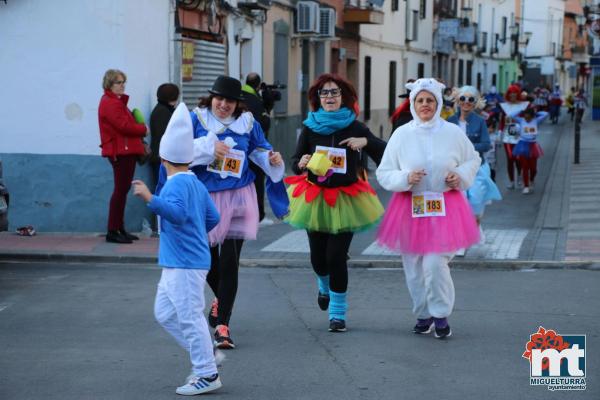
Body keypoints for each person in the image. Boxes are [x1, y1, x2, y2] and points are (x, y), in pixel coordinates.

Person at [156, 75, 285, 349]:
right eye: (219, 99)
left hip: (239, 196)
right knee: (209, 261)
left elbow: (259, 150)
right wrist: (207, 148)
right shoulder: (196, 119)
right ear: (211, 98)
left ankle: (223, 325)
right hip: (204, 197)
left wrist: (270, 158)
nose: (223, 105)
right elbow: (174, 152)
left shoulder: (248, 123)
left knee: (229, 261)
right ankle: (220, 301)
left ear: (238, 104)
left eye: (229, 101)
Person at [376, 78, 481, 339]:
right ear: (413, 104)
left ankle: (441, 313)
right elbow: (384, 172)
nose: (425, 105)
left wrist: (459, 175)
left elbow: (473, 159)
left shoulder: (453, 132)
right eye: (420, 100)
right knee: (413, 266)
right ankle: (423, 313)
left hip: (446, 207)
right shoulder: (402, 135)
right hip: (411, 206)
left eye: (430, 100)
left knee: (435, 263)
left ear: (438, 104)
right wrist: (404, 178)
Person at [131, 103, 223, 396]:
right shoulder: (194, 182)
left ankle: (207, 373)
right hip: (180, 261)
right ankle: (207, 358)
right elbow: (213, 218)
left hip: (185, 263)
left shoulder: (173, 186)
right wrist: (193, 234)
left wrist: (150, 198)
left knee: (189, 316)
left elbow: (179, 215)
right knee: (165, 314)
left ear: (163, 157)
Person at [285, 74, 385, 332]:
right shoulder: (310, 126)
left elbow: (384, 150)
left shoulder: (355, 127)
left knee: (336, 257)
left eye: (334, 92)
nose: (329, 97)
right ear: (318, 99)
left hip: (347, 199)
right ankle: (323, 285)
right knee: (318, 260)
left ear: (344, 97)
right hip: (315, 198)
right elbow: (295, 159)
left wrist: (366, 141)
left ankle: (337, 314)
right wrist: (302, 163)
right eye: (324, 93)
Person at [98, 69, 148, 244]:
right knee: (120, 191)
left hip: (124, 150)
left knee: (122, 190)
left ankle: (119, 228)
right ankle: (113, 230)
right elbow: (124, 126)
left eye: (123, 82)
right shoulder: (110, 103)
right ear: (109, 84)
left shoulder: (116, 102)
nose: (122, 85)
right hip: (121, 152)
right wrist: (143, 128)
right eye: (118, 82)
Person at [448, 86, 501, 248]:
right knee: (459, 203)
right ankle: (461, 237)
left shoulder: (480, 122)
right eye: (463, 98)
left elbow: (486, 144)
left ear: (475, 103)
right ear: (457, 100)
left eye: (471, 99)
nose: (466, 102)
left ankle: (476, 226)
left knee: (476, 202)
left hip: (476, 168)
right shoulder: (449, 122)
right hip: (455, 169)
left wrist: (467, 147)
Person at [242, 73, 272, 225]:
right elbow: (263, 124)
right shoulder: (255, 100)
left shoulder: (239, 96)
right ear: (259, 86)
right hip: (254, 149)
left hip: (239, 149)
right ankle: (259, 215)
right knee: (258, 181)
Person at [510, 107, 548, 194]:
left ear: (532, 116)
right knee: (525, 166)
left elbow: (545, 114)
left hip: (533, 145)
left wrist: (536, 113)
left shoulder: (536, 121)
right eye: (525, 117)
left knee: (533, 168)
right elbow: (511, 115)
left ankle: (532, 180)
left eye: (528, 117)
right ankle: (526, 186)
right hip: (522, 144)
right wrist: (520, 110)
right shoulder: (521, 120)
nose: (526, 119)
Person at [150, 83, 180, 189]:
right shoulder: (163, 112)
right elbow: (166, 136)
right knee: (164, 191)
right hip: (162, 160)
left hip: (162, 158)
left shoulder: (164, 109)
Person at [499, 84, 528, 189]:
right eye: (511, 94)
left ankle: (519, 175)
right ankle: (511, 181)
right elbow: (502, 121)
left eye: (515, 94)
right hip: (507, 136)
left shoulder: (523, 106)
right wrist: (499, 132)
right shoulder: (505, 106)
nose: (513, 96)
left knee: (518, 158)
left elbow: (528, 119)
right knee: (510, 158)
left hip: (519, 136)